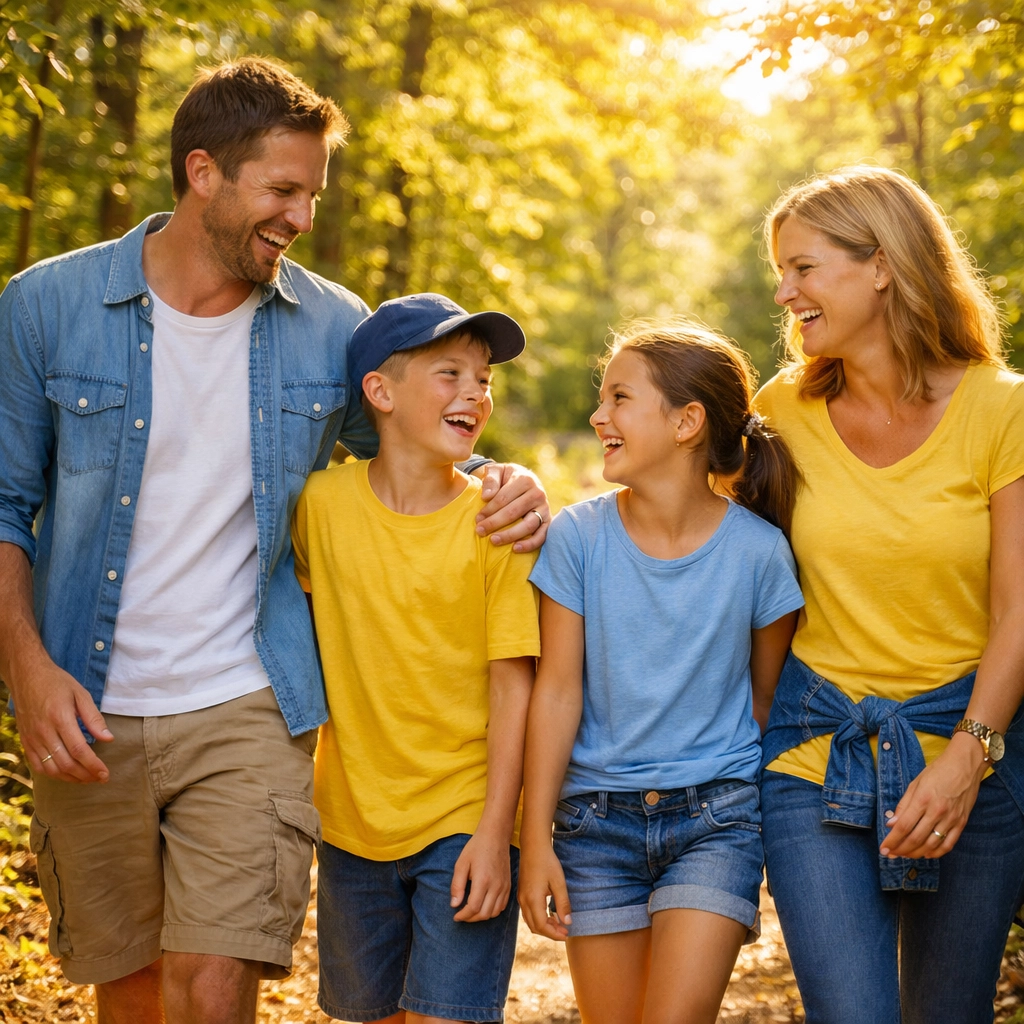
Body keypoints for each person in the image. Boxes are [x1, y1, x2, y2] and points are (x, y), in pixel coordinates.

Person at [0, 59, 548, 1024]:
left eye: (313, 196)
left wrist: (509, 478)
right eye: (283, 190)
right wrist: (28, 671)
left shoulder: (331, 325)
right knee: (131, 989)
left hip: (251, 699)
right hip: (88, 702)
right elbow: (5, 505)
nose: (300, 217)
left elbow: (416, 452)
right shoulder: (46, 306)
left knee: (214, 984)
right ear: (203, 172)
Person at [755, 165, 1024, 1024]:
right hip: (816, 750)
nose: (784, 292)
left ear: (882, 265)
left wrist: (967, 759)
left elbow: (1017, 609)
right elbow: (682, 525)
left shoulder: (1003, 409)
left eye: (803, 267)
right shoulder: (780, 412)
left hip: (971, 751)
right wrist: (509, 490)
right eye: (781, 272)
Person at [518, 320, 806, 1024]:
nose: (598, 415)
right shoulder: (577, 538)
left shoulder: (760, 553)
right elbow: (556, 693)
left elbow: (766, 699)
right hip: (594, 824)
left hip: (716, 820)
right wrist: (535, 839)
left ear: (686, 422)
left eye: (619, 397)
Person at [290, 292, 540, 1024]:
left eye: (484, 379)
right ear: (380, 391)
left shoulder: (496, 523)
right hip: (351, 821)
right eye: (450, 374)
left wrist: (498, 832)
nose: (475, 393)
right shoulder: (319, 507)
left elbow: (514, 687)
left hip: (465, 814)